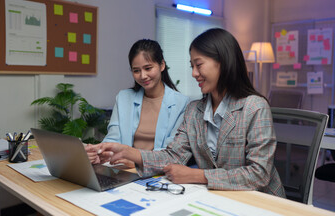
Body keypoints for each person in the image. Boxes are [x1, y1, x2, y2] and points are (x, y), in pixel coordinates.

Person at [87, 29, 286, 197]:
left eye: (198, 65)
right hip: (218, 197)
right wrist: (131, 153)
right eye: (192, 66)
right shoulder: (194, 110)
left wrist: (199, 176)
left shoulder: (254, 107)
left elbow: (259, 174)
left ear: (223, 62)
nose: (193, 73)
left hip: (261, 200)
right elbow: (174, 156)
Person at [85, 39, 189, 168]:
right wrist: (100, 153)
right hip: (123, 169)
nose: (143, 76)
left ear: (162, 65)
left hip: (157, 173)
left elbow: (171, 153)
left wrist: (136, 161)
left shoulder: (182, 104)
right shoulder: (123, 98)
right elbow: (113, 138)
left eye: (148, 68)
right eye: (136, 70)